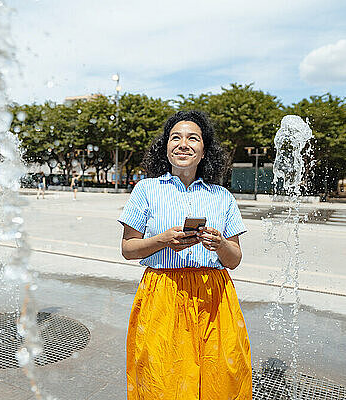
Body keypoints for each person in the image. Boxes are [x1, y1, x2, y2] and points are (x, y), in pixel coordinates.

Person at [118, 110, 251, 399]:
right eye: (175, 137)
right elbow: (128, 249)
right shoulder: (146, 190)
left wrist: (220, 244)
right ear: (165, 148)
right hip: (162, 295)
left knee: (220, 377)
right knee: (162, 380)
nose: (183, 143)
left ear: (204, 151)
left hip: (215, 297)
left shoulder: (222, 196)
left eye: (193, 138)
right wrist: (162, 240)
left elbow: (235, 259)